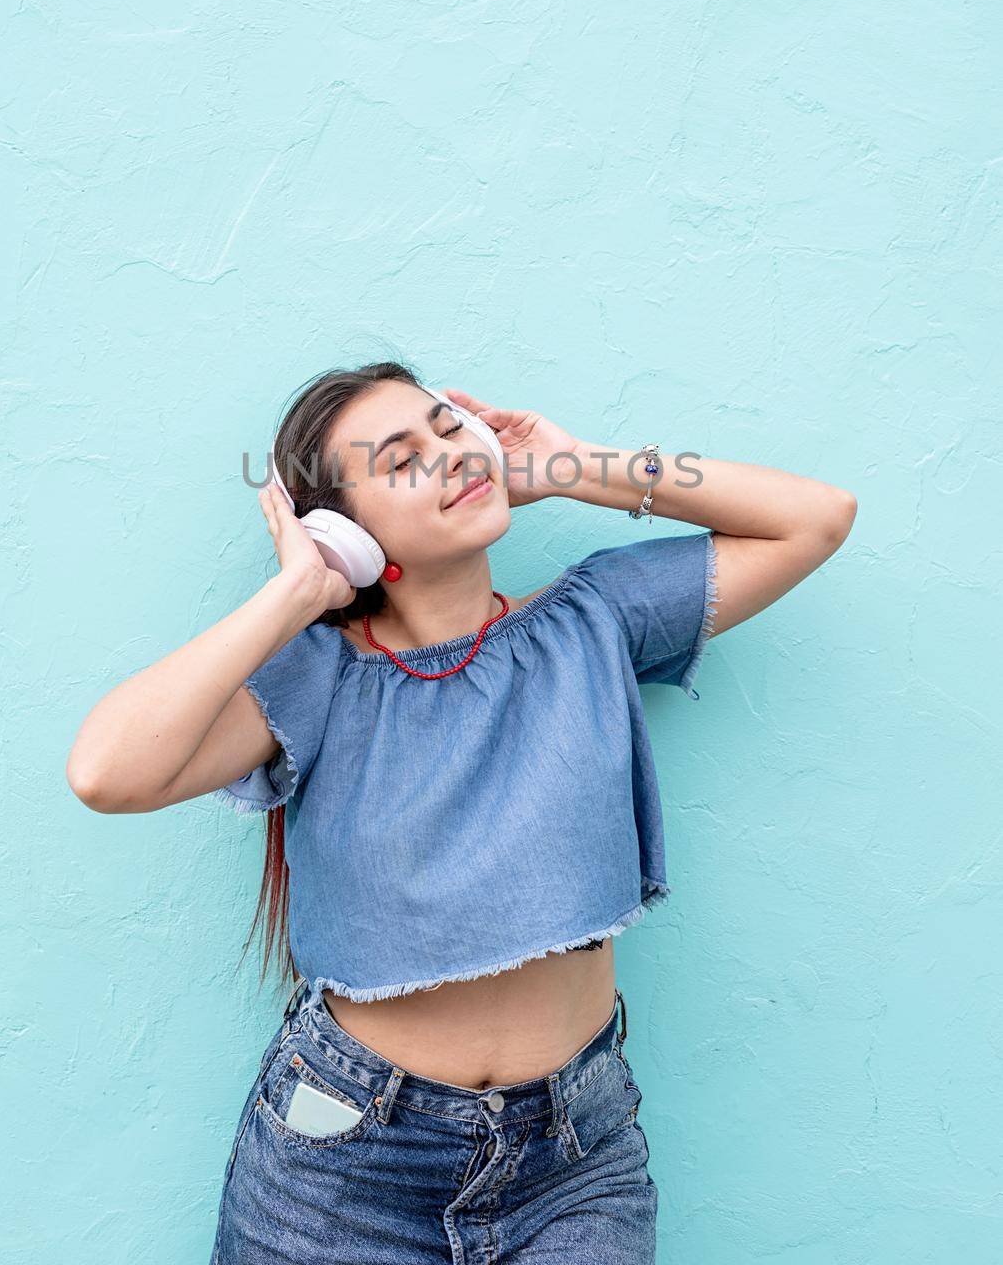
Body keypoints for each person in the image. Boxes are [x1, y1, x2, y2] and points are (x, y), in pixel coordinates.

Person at [67, 359, 858, 1263]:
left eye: (449, 429)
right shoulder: (319, 675)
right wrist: (298, 591)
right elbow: (104, 771)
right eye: (401, 460)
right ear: (346, 533)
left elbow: (816, 517)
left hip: (576, 1163)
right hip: (343, 1163)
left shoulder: (595, 618)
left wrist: (574, 466)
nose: (449, 456)